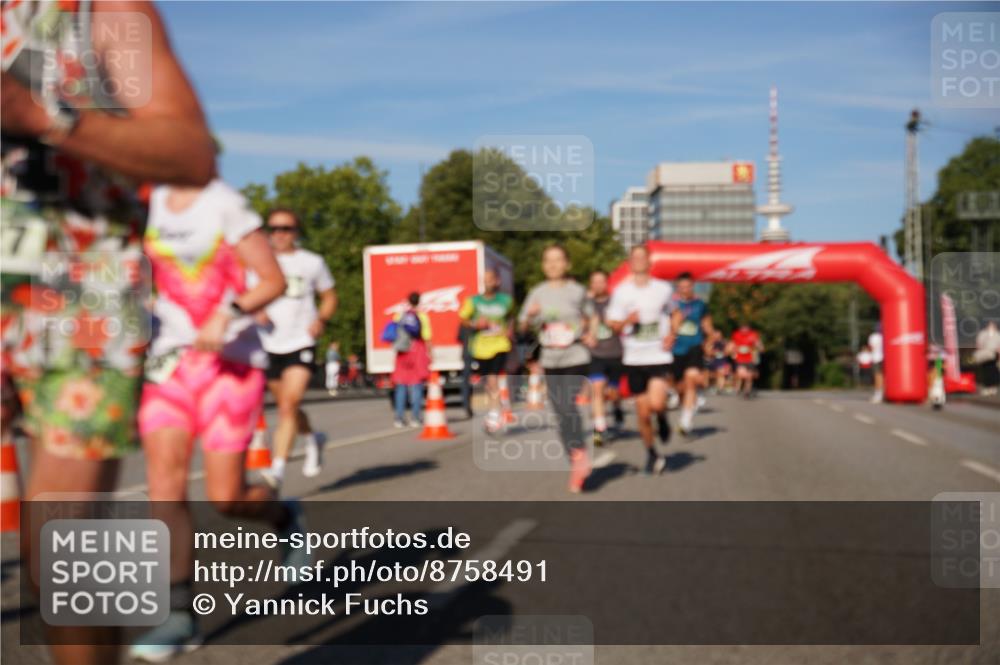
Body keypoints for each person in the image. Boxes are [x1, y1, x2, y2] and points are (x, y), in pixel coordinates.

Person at [1, 2, 214, 664]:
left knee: (58, 546)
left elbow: (190, 151)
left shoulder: (101, 10)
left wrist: (40, 114)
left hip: (79, 295)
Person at [132, 179, 309, 661]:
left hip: (230, 366)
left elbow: (272, 281)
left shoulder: (223, 204)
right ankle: (178, 614)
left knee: (226, 497)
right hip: (170, 364)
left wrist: (227, 313)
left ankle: (283, 515)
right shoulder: (143, 204)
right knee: (164, 486)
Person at [254, 209, 336, 485]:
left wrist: (321, 319)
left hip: (301, 340)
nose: (279, 234)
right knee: (286, 405)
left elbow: (329, 297)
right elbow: (245, 295)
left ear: (296, 232)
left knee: (289, 404)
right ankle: (313, 437)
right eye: (274, 228)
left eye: (286, 228)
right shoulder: (258, 262)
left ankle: (277, 470)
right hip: (268, 342)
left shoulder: (312, 262)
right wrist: (256, 311)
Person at [518, 245, 592, 493]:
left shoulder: (577, 291)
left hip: (575, 354)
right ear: (543, 265)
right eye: (548, 260)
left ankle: (580, 453)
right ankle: (575, 458)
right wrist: (530, 317)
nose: (552, 265)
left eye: (558, 260)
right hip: (550, 358)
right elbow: (522, 326)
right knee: (559, 411)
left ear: (567, 264)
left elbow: (592, 316)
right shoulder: (537, 293)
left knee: (567, 404)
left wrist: (591, 332)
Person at [607, 245, 674, 475]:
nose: (638, 261)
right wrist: (628, 321)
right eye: (634, 258)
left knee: (657, 404)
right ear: (629, 262)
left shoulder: (663, 289)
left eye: (642, 257)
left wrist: (672, 334)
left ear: (649, 262)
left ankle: (662, 417)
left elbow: (675, 313)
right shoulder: (621, 292)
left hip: (658, 355)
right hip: (634, 358)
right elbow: (613, 326)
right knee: (643, 414)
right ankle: (652, 453)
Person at [460, 269, 514, 433]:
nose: (488, 282)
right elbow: (463, 319)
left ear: (497, 281)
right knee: (487, 382)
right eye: (486, 279)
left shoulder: (506, 300)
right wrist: (475, 324)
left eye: (491, 279)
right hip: (481, 347)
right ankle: (498, 405)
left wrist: (509, 330)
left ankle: (494, 414)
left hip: (500, 345)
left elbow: (511, 317)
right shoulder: (473, 301)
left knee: (492, 378)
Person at [583, 270, 625, 446]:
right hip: (595, 354)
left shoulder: (616, 303)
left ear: (607, 283)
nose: (598, 285)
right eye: (595, 282)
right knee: (597, 388)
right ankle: (600, 429)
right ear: (591, 284)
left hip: (615, 353)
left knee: (613, 393)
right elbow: (578, 324)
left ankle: (617, 407)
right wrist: (585, 332)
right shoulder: (586, 304)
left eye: (601, 281)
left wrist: (614, 324)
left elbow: (625, 327)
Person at [669, 272, 714, 437]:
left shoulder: (700, 304)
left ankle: (686, 421)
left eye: (688, 286)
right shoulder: (671, 305)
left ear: (692, 286)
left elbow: (707, 325)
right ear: (677, 288)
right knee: (679, 386)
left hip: (694, 346)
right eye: (681, 287)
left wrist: (710, 340)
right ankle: (684, 402)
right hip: (675, 349)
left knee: (691, 380)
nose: (685, 290)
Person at [390, 292, 432, 427]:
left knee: (401, 385)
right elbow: (427, 337)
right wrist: (430, 354)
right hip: (417, 351)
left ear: (408, 301)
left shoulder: (399, 316)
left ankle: (399, 418)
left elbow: (394, 333)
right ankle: (415, 418)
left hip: (402, 352)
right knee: (416, 385)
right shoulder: (422, 316)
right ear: (419, 301)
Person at [731, 321, 763, 398]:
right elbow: (733, 344)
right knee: (741, 375)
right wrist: (732, 350)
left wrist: (760, 347)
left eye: (746, 327)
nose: (744, 329)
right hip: (740, 359)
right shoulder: (736, 334)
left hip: (750, 359)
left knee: (749, 377)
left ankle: (747, 391)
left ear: (748, 328)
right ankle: (738, 388)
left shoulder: (753, 334)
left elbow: (758, 343)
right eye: (742, 327)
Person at [974, 321, 1000, 396]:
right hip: (984, 356)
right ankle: (987, 387)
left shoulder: (997, 334)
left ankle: (992, 387)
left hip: (993, 355)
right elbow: (979, 344)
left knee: (993, 371)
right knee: (986, 371)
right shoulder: (983, 334)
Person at [706, 330, 731, 394]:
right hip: (712, 360)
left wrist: (723, 352)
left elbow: (728, 352)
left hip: (722, 360)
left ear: (721, 335)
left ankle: (720, 388)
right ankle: (713, 387)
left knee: (721, 373)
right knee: (712, 375)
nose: (716, 336)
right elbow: (707, 352)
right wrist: (713, 352)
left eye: (718, 335)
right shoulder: (710, 342)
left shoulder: (724, 342)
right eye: (715, 334)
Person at [868, 323, 884, 403]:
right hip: (886, 358)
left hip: (876, 358)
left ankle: (878, 395)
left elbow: (871, 348)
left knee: (878, 376)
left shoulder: (873, 336)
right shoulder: (886, 335)